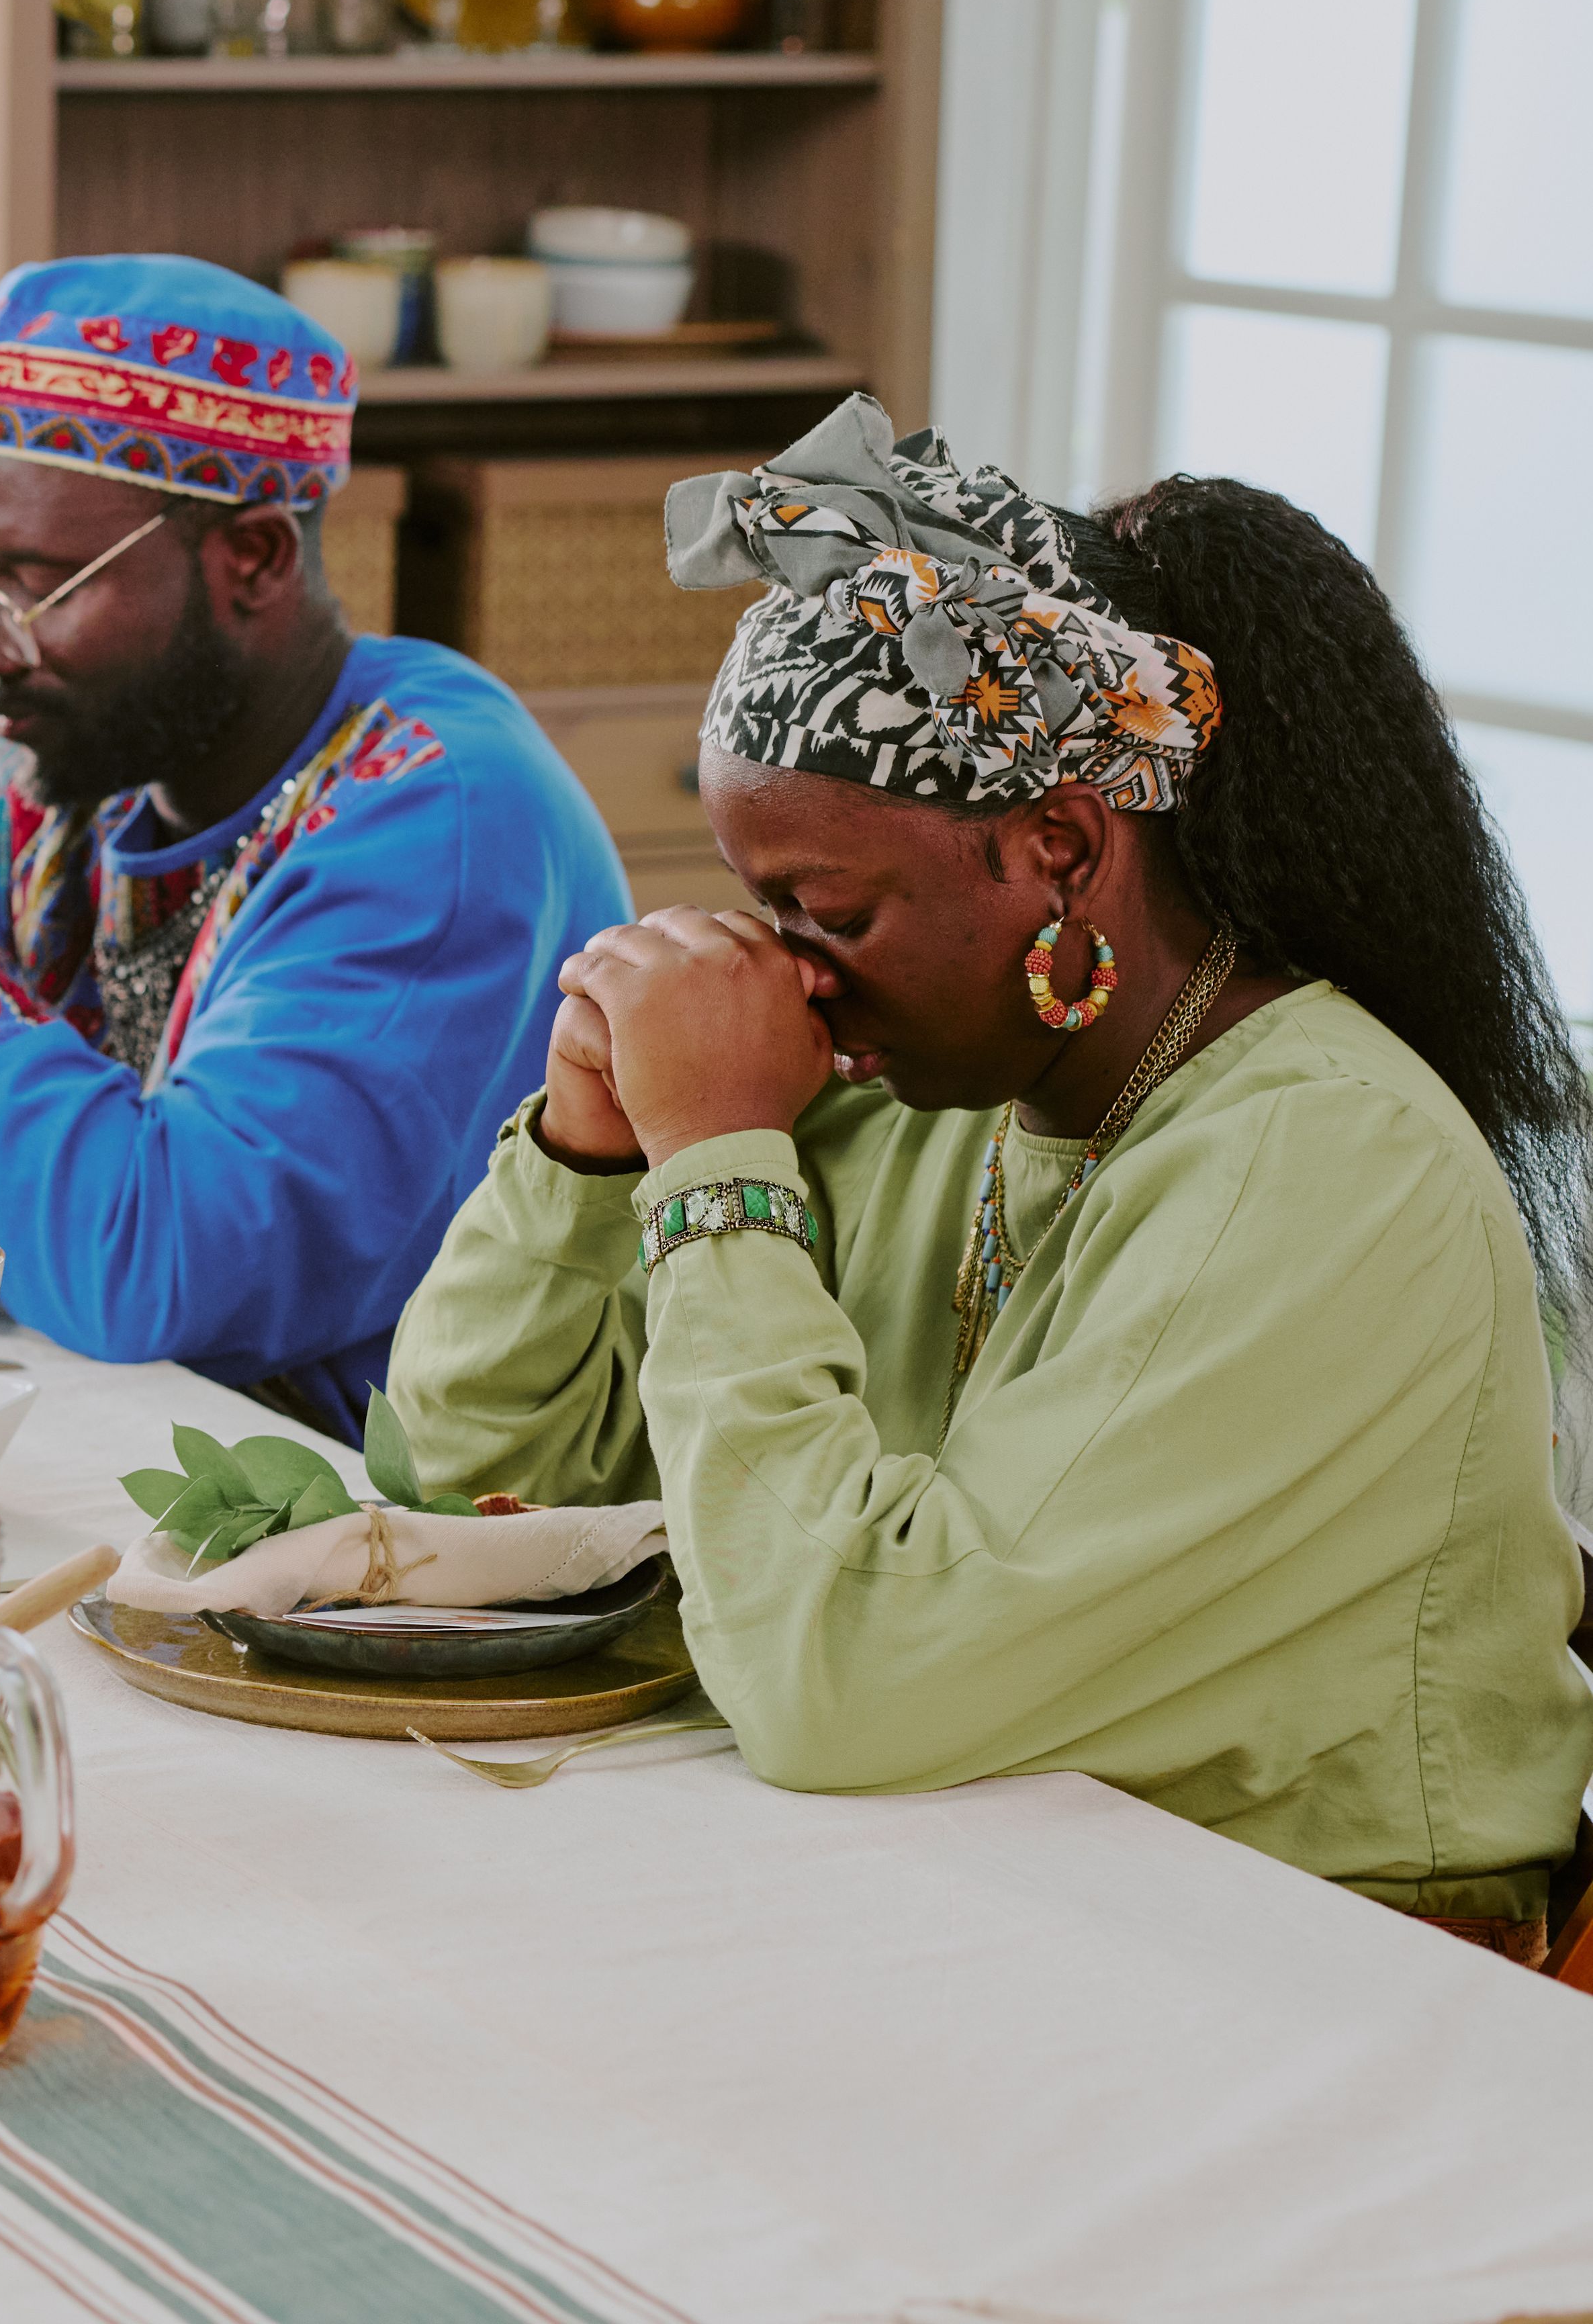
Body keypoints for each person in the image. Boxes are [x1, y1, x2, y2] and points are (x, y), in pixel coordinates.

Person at [388, 398, 1593, 1957]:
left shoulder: (1325, 1160)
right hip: (982, 1906)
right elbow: (472, 1495)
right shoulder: (930, 1087)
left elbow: (848, 1689)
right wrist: (585, 1152)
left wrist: (717, 1174)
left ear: (1063, 846)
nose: (786, 973)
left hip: (1306, 1973)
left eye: (827, 908)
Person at [0, 255, 631, 1435]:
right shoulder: (67, 756)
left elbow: (153, 1270)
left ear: (256, 557)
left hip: (380, 1519)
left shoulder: (442, 813)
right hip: (99, 1438)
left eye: (36, 586)